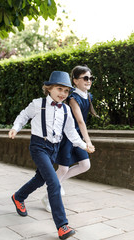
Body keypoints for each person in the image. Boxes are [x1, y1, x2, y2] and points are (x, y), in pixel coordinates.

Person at [8, 71, 95, 240]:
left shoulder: (66, 110)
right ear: (49, 88)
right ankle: (62, 226)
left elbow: (71, 133)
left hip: (53, 148)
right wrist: (15, 128)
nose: (62, 94)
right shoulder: (37, 104)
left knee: (40, 179)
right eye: (59, 89)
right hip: (39, 146)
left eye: (66, 91)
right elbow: (23, 115)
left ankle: (18, 197)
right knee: (54, 183)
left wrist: (84, 145)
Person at [41, 65, 98, 212]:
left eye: (91, 78)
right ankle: (48, 197)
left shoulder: (88, 96)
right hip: (67, 136)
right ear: (75, 80)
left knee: (85, 165)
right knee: (63, 168)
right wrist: (88, 142)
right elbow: (80, 121)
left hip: (77, 136)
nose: (89, 80)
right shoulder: (73, 98)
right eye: (85, 78)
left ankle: (57, 183)